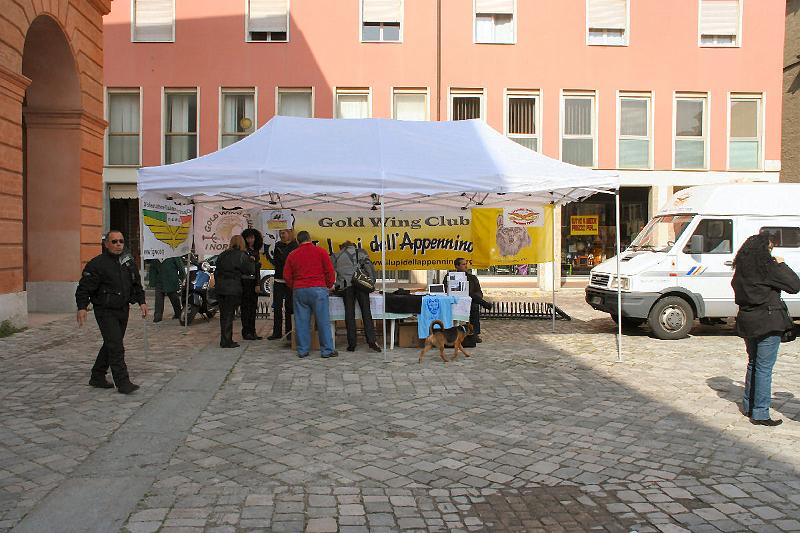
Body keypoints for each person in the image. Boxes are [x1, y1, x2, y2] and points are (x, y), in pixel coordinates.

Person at [732, 233, 800, 426]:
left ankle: (749, 405)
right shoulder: (768, 268)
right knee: (763, 368)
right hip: (768, 321)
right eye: (770, 248)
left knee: (753, 363)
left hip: (748, 320)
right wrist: (781, 264)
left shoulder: (742, 269)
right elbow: (795, 285)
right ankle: (760, 412)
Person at [75, 230, 147, 394]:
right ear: (106, 244)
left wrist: (142, 301)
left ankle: (97, 375)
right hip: (105, 310)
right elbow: (84, 288)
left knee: (111, 343)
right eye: (114, 241)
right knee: (116, 346)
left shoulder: (128, 262)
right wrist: (82, 307)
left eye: (121, 241)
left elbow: (136, 283)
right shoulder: (97, 264)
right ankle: (123, 382)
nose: (118, 244)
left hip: (123, 309)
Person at [283, 231, 338, 358]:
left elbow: (286, 275)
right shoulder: (321, 252)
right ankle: (327, 350)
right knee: (323, 320)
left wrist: (294, 286)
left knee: (301, 321)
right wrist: (328, 285)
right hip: (318, 288)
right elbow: (330, 271)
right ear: (310, 239)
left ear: (298, 241)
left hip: (300, 289)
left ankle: (302, 350)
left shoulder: (292, 254)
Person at [332, 241, 381, 352]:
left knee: (349, 314)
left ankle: (352, 344)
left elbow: (330, 273)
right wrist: (371, 282)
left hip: (346, 288)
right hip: (361, 285)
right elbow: (369, 268)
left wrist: (335, 286)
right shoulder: (361, 252)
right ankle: (372, 341)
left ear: (342, 247)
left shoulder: (336, 255)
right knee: (366, 312)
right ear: (353, 246)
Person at [215, 235, 257, 348]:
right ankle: (226, 341)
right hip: (232, 288)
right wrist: (252, 261)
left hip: (220, 288)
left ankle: (224, 338)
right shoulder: (242, 255)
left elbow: (216, 270)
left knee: (224, 314)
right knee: (229, 314)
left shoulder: (223, 254)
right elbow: (250, 270)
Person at [268, 229, 299, 340]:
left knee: (290, 307)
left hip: (290, 280)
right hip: (278, 279)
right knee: (277, 306)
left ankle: (289, 332)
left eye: (283, 233)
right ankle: (276, 332)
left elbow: (290, 261)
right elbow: (277, 261)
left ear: (290, 233)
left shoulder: (295, 245)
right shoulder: (278, 245)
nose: (282, 235)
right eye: (280, 233)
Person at [453, 257, 491, 343]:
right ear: (457, 266)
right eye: (463, 264)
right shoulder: (450, 277)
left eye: (466, 264)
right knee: (467, 293)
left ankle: (475, 334)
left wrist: (473, 297)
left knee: (473, 304)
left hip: (470, 301)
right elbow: (447, 289)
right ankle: (485, 304)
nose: (466, 266)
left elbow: (479, 292)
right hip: (456, 301)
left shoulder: (472, 278)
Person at [240, 228, 264, 340]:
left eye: (252, 238)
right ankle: (246, 331)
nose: (251, 240)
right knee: (246, 307)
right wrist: (256, 264)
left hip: (253, 281)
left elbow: (257, 270)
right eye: (248, 238)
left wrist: (258, 283)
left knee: (253, 307)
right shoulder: (243, 251)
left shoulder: (255, 251)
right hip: (245, 282)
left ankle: (252, 330)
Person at [147, 256, 184, 322]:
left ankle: (178, 313)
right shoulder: (156, 256)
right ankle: (157, 316)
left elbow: (180, 267)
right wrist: (152, 282)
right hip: (160, 281)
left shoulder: (173, 255)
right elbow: (153, 269)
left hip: (171, 280)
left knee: (174, 298)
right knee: (159, 299)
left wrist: (181, 277)